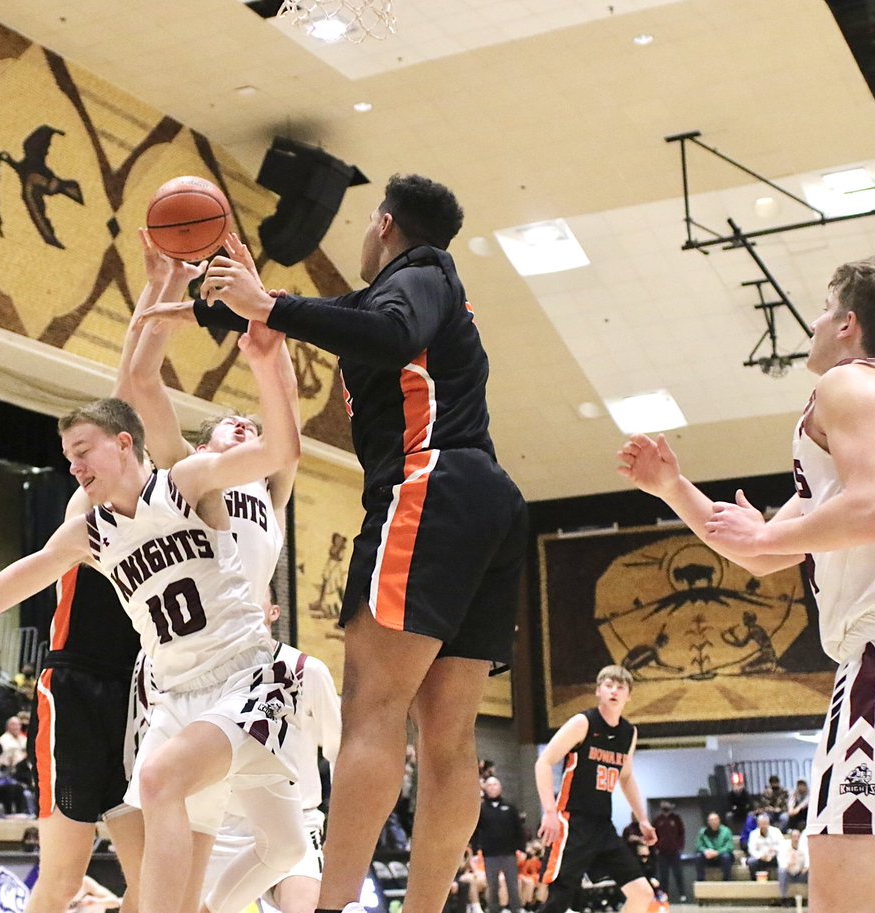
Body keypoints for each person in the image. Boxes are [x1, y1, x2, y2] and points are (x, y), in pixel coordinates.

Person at [0, 316, 307, 913]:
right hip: (172, 696)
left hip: (245, 675)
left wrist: (262, 359)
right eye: (67, 457)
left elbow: (279, 449)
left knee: (219, 823)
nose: (73, 466)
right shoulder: (88, 533)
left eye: (82, 451)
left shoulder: (189, 481)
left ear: (124, 443)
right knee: (186, 861)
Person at [178, 173, 529, 913]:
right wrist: (248, 303)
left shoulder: (422, 273)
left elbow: (385, 328)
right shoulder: (389, 300)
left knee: (375, 706)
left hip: (430, 484)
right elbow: (326, 321)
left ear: (384, 223)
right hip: (484, 501)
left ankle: (329, 907)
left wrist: (269, 302)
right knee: (448, 736)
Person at [616, 254, 875, 913]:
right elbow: (760, 554)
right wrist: (674, 488)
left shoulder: (853, 384)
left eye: (823, 306)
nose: (812, 320)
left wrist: (767, 535)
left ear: (848, 323)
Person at [201, 594, 342, 913]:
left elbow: (340, 752)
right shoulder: (200, 674)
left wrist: (340, 836)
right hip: (222, 826)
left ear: (274, 612)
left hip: (297, 821)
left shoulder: (308, 671)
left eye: (257, 588)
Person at [533, 666, 656, 913]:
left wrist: (642, 819)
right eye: (609, 685)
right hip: (571, 822)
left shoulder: (628, 733)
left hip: (602, 826)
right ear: (598, 691)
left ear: (628, 696)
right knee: (558, 901)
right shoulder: (583, 723)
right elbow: (543, 762)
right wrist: (549, 812)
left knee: (642, 893)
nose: (614, 691)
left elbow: (627, 776)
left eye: (620, 687)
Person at [473, 777, 524, 913]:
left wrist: (522, 849)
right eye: (489, 785)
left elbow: (519, 829)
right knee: (493, 885)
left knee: (512, 885)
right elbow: (475, 831)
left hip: (509, 853)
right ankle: (493, 910)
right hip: (490, 854)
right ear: (485, 788)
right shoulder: (481, 809)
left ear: (500, 787)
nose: (492, 787)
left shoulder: (510, 807)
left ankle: (516, 909)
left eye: (495, 784)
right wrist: (475, 851)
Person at [650, 801, 686, 901]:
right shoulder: (657, 820)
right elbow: (653, 835)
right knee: (663, 876)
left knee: (678, 874)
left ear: (670, 806)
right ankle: (664, 895)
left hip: (674, 852)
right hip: (662, 853)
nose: (665, 805)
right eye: (663, 803)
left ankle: (682, 894)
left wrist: (680, 847)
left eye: (667, 804)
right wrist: (656, 848)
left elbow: (681, 834)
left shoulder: (676, 818)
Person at [695, 812, 734, 881]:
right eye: (711, 820)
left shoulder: (726, 831)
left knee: (726, 856)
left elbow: (729, 847)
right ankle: (700, 880)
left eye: (715, 820)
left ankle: (727, 879)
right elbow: (699, 846)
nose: (714, 822)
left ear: (719, 820)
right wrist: (705, 851)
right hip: (709, 857)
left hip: (721, 856)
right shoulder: (703, 832)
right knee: (698, 856)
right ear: (708, 822)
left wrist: (717, 852)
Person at [746, 813, 782, 880]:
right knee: (751, 861)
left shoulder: (776, 831)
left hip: (774, 856)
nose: (764, 826)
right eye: (762, 824)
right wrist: (761, 856)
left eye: (765, 823)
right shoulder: (753, 834)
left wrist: (773, 852)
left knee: (782, 859)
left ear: (768, 823)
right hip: (760, 857)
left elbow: (782, 845)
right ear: (758, 824)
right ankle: (754, 880)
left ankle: (780, 879)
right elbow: (751, 849)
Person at [778, 829, 808, 901]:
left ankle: (809, 899)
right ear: (790, 838)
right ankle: (784, 898)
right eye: (794, 837)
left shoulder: (804, 846)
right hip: (788, 873)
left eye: (798, 837)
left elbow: (808, 859)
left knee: (811, 872)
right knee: (781, 871)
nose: (796, 839)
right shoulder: (784, 846)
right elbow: (781, 861)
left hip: (801, 873)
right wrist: (788, 866)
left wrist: (806, 867)